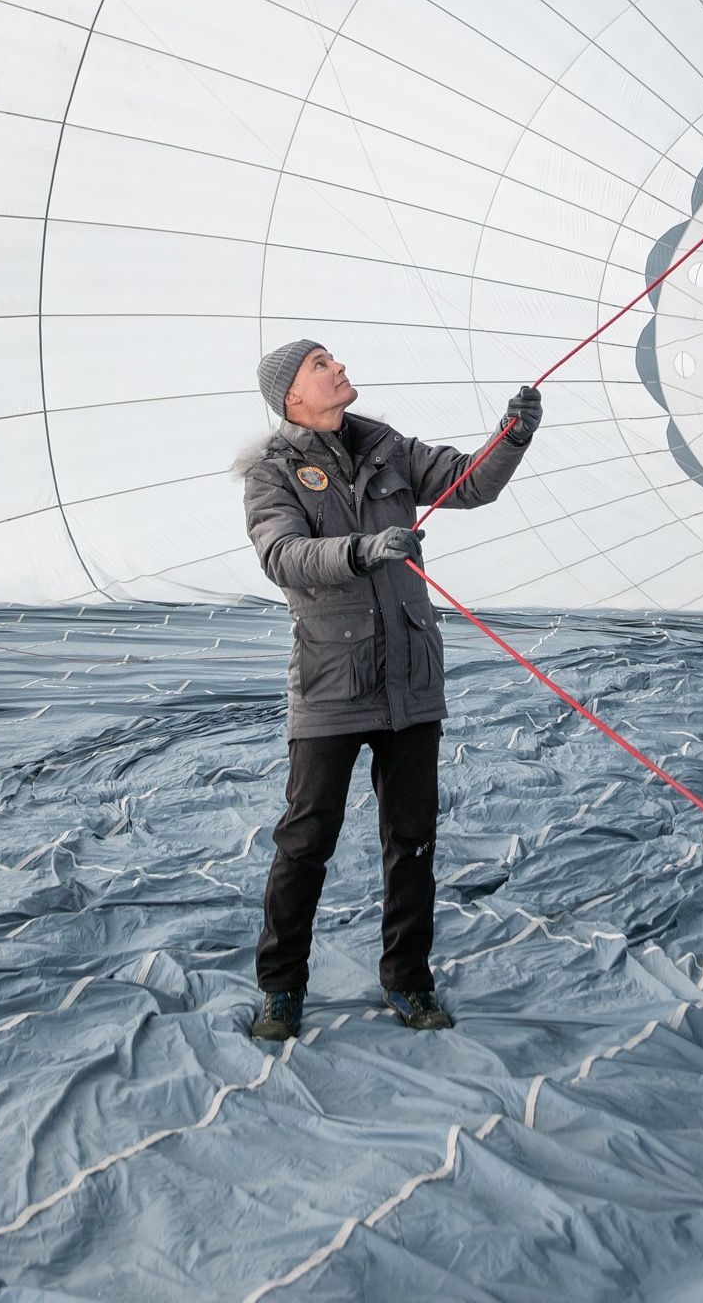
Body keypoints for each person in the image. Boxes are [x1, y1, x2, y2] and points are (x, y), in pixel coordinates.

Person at [236, 341, 540, 1041]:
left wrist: (512, 436)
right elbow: (280, 556)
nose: (338, 366)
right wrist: (359, 551)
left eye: (334, 358)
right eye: (321, 364)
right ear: (292, 397)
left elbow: (470, 483)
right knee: (306, 840)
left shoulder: (386, 446)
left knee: (413, 840)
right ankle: (281, 988)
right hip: (332, 684)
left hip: (410, 679)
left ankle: (409, 980)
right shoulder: (272, 473)